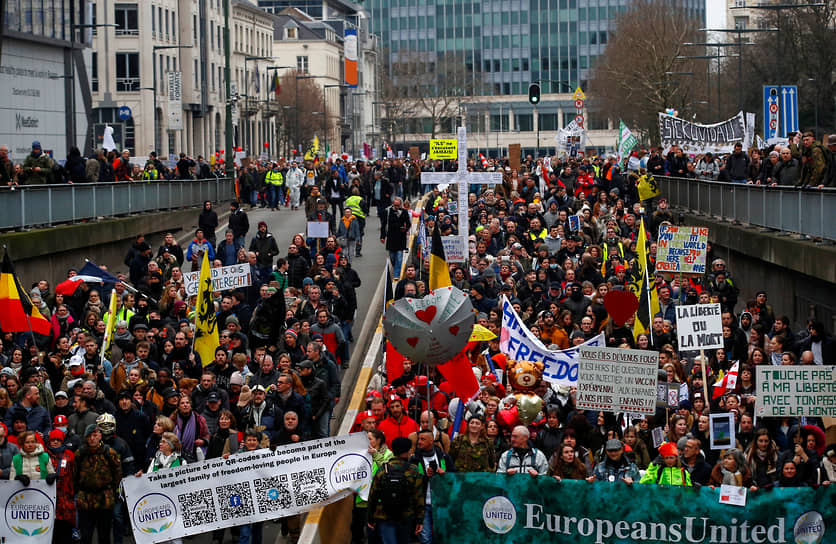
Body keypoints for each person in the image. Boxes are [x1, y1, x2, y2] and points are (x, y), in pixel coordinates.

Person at [367, 436, 425, 544]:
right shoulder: (413, 470)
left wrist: (370, 518)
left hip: (384, 515)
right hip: (406, 516)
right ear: (408, 451)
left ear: (393, 451)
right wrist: (420, 520)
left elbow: (373, 495)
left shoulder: (383, 469)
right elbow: (419, 497)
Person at [73, 424, 122, 544]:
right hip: (85, 498)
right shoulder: (80, 453)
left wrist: (113, 493)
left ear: (100, 436)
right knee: (86, 534)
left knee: (104, 534)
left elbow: (118, 474)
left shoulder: (109, 452)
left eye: (95, 435)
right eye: (89, 436)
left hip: (104, 497)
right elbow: (75, 474)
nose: (92, 439)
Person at [380, 197, 411, 279]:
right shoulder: (388, 212)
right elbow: (384, 225)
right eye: (395, 205)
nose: (396, 207)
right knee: (392, 257)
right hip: (391, 238)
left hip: (401, 238)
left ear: (400, 205)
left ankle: (396, 274)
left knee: (399, 257)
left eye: (398, 205)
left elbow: (408, 223)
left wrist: (405, 228)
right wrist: (382, 236)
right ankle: (396, 268)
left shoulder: (404, 212)